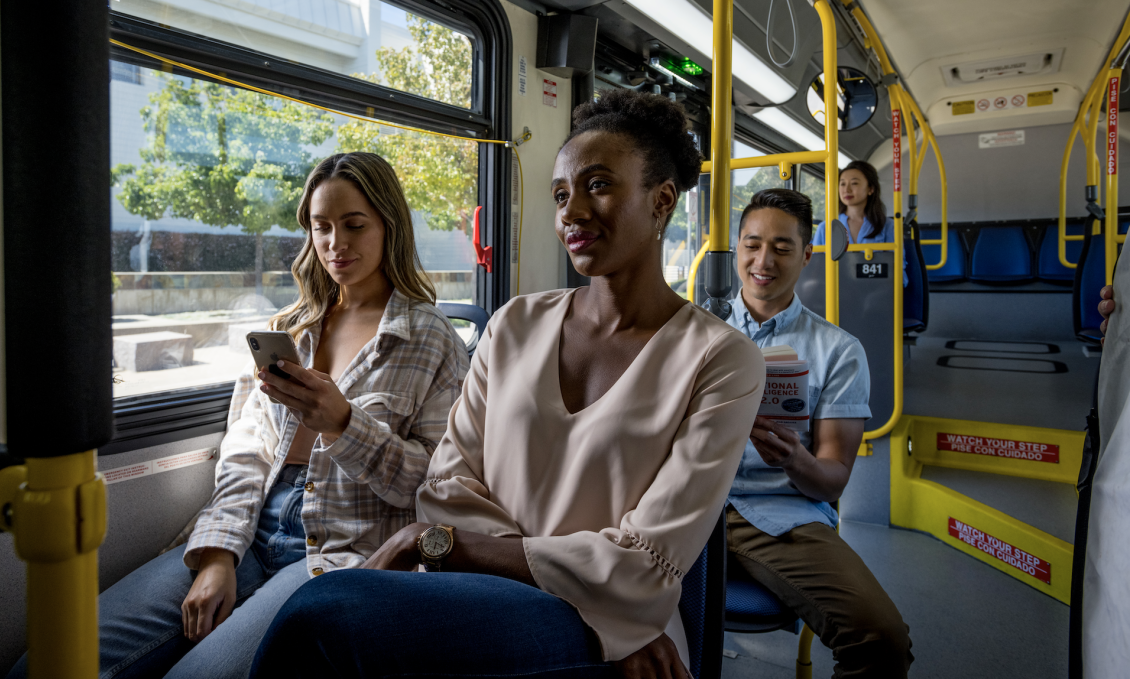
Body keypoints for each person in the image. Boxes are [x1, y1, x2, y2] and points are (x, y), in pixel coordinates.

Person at [251, 89, 766, 679]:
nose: (571, 212)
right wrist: (523, 556)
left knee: (322, 616)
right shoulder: (515, 324)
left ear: (662, 201)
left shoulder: (722, 361)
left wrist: (445, 543)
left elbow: (643, 566)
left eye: (598, 185)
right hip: (484, 592)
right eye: (560, 195)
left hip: (606, 626)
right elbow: (445, 488)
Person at [10, 153, 468, 679]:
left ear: (390, 225)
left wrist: (343, 423)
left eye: (354, 225)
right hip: (252, 524)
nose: (335, 244)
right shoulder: (292, 329)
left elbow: (436, 489)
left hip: (339, 551)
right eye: (321, 227)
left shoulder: (434, 342)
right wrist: (218, 553)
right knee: (47, 663)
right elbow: (246, 449)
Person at [726, 188, 913, 678]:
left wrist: (793, 458)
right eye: (752, 244)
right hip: (681, 500)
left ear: (807, 255)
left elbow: (831, 480)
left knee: (881, 639)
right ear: (736, 246)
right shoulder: (693, 330)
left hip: (776, 511)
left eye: (782, 248)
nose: (763, 261)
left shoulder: (838, 351)